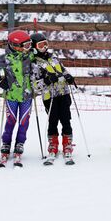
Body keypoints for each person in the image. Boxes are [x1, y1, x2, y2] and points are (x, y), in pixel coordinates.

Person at [30, 32, 76, 162]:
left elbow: (63, 70)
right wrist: (47, 80)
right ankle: (53, 145)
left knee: (66, 119)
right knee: (53, 121)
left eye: (45, 44)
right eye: (40, 45)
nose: (44, 47)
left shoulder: (54, 58)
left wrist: (69, 77)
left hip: (63, 93)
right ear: (34, 47)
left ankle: (67, 145)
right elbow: (34, 85)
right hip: (49, 97)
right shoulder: (34, 64)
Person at [0, 30, 34, 165]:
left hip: (26, 95)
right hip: (11, 95)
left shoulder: (30, 57)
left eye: (29, 45)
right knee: (11, 120)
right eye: (25, 45)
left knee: (24, 121)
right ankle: (6, 143)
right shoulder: (4, 59)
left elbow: (41, 63)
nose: (28, 48)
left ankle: (20, 143)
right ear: (16, 46)